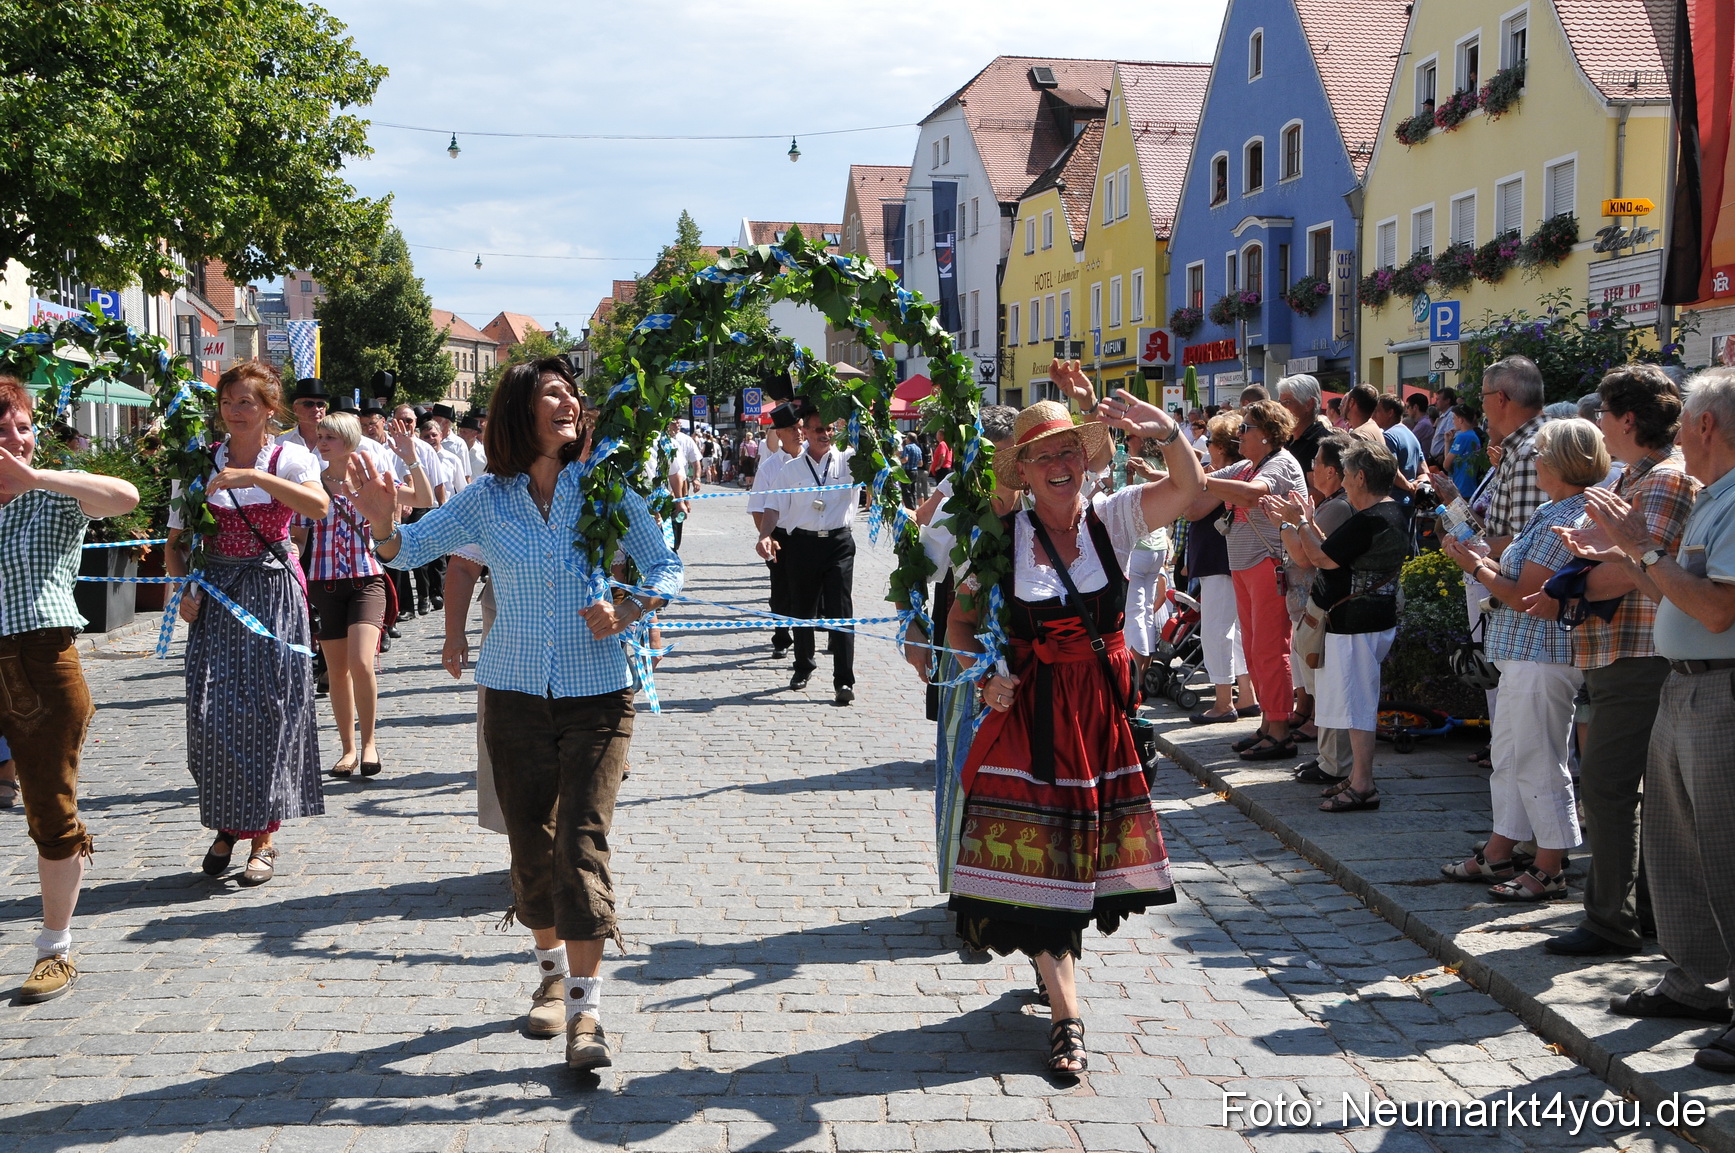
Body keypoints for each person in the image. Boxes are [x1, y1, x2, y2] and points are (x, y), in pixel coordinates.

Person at [350, 356, 682, 1072]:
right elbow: (415, 545)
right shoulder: (487, 498)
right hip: (512, 692)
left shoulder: (606, 487)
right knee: (531, 845)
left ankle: (588, 1010)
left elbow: (666, 567)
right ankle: (552, 974)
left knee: (581, 844)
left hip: (599, 691)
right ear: (519, 411)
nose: (569, 401)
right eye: (552, 392)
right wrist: (383, 527)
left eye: (572, 392)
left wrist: (627, 608)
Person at [946, 388, 1204, 1075]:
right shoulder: (1001, 542)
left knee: (1079, 864)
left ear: (1086, 462)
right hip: (1030, 717)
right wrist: (982, 675)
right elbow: (959, 625)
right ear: (1023, 473)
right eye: (1042, 457)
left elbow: (1190, 487)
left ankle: (1051, 969)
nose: (1059, 464)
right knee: (1040, 858)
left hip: (1096, 717)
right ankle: (1067, 1018)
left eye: (1068, 451)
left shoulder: (1113, 519)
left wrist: (1167, 430)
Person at [1558, 368, 1735, 1076]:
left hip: (1718, 690)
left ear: (1705, 426)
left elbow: (1718, 609)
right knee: (1672, 848)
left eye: (1686, 419)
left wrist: (1643, 547)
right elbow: (1670, 583)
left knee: (1722, 852)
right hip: (1683, 688)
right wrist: (1628, 550)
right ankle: (1692, 983)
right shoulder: (1713, 497)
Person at [1519, 365, 1696, 958]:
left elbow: (1637, 569)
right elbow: (1622, 558)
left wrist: (1580, 582)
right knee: (1620, 787)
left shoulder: (1664, 481)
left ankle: (1609, 921)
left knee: (1608, 787)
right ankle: (1640, 913)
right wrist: (1591, 570)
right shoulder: (1639, 478)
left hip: (1640, 650)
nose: (1596, 421)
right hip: (1621, 648)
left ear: (1627, 420)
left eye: (1604, 412)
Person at [0, 374, 140, 1003]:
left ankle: (54, 949)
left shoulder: (52, 495)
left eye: (23, 428)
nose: (15, 440)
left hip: (39, 664)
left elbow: (125, 496)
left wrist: (40, 478)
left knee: (49, 809)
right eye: (3, 430)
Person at [166, 362, 330, 889]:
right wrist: (184, 589)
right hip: (216, 594)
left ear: (269, 410)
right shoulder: (196, 463)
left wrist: (256, 477)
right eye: (229, 401)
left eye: (247, 402)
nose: (236, 411)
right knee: (209, 712)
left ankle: (263, 836)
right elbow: (175, 540)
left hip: (272, 591)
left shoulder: (291, 456)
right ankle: (228, 824)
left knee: (270, 711)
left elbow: (320, 508)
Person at [1439, 418, 1607, 899]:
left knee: (1539, 757)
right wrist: (1479, 558)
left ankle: (1550, 864)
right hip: (1523, 654)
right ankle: (1499, 851)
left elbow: (1523, 595)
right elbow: (1515, 578)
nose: (1533, 462)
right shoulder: (1554, 508)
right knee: (1509, 756)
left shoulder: (1571, 516)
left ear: (1559, 462)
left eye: (1540, 455)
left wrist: (1474, 565)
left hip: (1544, 656)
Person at [905, 404, 1021, 893]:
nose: (1007, 471)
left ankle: (1028, 879)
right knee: (964, 763)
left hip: (1034, 650)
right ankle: (967, 887)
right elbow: (917, 562)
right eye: (995, 460)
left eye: (1014, 459)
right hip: (969, 647)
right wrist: (913, 625)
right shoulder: (959, 500)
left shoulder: (1047, 499)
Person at [1265, 439, 1408, 812]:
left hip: (1357, 623)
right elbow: (1331, 550)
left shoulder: (1372, 518)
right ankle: (1356, 777)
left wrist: (1296, 521)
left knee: (1357, 705)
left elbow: (1320, 558)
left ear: (1361, 477)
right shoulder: (1387, 512)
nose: (1342, 482)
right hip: (1364, 620)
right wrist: (1306, 521)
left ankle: (1363, 784)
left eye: (1346, 475)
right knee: (1351, 702)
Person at [292, 412, 432, 778]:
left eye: (330, 437)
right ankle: (348, 749)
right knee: (336, 671)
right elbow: (300, 536)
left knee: (362, 662)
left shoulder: (369, 479)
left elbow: (424, 499)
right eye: (320, 435)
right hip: (324, 583)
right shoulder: (311, 483)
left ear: (350, 441)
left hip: (366, 580)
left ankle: (369, 742)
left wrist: (410, 457)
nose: (321, 442)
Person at [1192, 399, 1308, 759]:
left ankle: (1280, 730)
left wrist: (1200, 479)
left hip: (1269, 563)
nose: (1240, 434)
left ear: (1268, 434)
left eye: (1247, 429)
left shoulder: (1279, 464)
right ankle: (1267, 726)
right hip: (1245, 566)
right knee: (1255, 650)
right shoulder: (1248, 464)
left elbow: (1252, 495)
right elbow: (1202, 493)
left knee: (1269, 650)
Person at [756, 406, 861, 705]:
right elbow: (773, 506)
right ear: (805, 432)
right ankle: (803, 666)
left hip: (839, 543)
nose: (824, 435)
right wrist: (765, 535)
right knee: (801, 610)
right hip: (802, 544)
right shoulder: (790, 469)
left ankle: (844, 680)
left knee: (841, 612)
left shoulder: (850, 461)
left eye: (829, 429)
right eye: (818, 429)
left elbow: (880, 465)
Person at [1283, 432, 1359, 784]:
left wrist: (1285, 522)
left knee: (1327, 686)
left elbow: (1305, 555)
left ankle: (1334, 763)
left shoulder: (1337, 507)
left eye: (1315, 463)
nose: (1310, 469)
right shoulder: (1331, 504)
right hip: (1315, 607)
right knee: (1321, 686)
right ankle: (1328, 760)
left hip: (1324, 607)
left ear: (1331, 470)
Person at [1183, 412, 1257, 723]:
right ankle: (1247, 695)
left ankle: (1224, 701)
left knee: (1217, 631)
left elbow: (1191, 510)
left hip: (1219, 559)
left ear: (1223, 447)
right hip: (1223, 558)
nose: (1207, 446)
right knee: (1235, 631)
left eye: (1211, 441)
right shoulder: (1224, 473)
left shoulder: (1223, 476)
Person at [748, 405, 802, 657]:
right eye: (792, 429)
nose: (798, 433)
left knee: (811, 592)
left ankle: (816, 638)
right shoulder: (769, 467)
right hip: (780, 535)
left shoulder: (813, 459)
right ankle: (782, 636)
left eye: (800, 427)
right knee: (780, 591)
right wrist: (766, 537)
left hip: (808, 534)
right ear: (779, 433)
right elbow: (758, 507)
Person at [1277, 374, 1330, 503]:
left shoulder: (1322, 443)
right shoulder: (1285, 440)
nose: (1281, 409)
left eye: (1287, 402)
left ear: (1308, 404)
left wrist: (1272, 493)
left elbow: (1319, 493)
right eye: (1280, 403)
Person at [1444, 405, 1484, 496]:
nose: (1453, 422)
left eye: (1454, 419)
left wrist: (1447, 444)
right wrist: (1447, 442)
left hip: (1460, 487)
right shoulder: (1473, 436)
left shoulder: (1462, 437)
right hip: (1470, 486)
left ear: (1461, 420)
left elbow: (1446, 465)